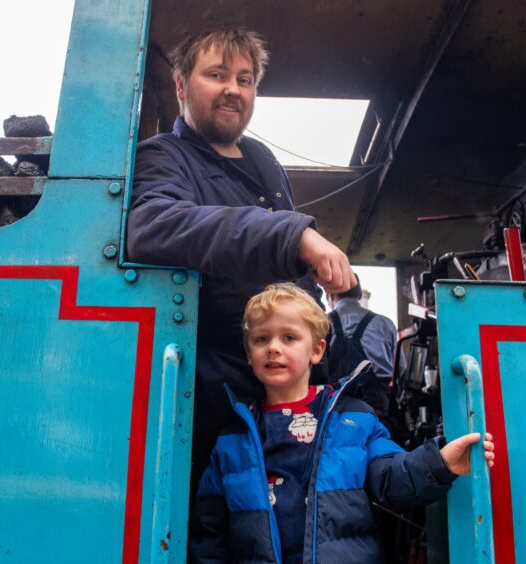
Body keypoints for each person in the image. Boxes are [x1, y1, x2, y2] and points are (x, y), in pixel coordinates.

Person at [126, 28, 355, 484]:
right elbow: (153, 227)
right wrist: (293, 236)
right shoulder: (162, 157)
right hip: (219, 404)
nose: (234, 89)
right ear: (180, 85)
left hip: (288, 398)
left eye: (245, 79)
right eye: (217, 74)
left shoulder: (262, 160)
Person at [189, 283, 494, 563]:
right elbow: (210, 531)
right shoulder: (232, 437)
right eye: (261, 339)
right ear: (249, 353)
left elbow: (391, 478)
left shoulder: (354, 419)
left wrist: (440, 462)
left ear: (317, 350)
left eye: (289, 337)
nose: (273, 347)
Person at [327, 273, 397, 415]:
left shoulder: (320, 323)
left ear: (330, 295)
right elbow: (399, 370)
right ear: (359, 295)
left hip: (331, 409)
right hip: (375, 411)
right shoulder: (385, 324)